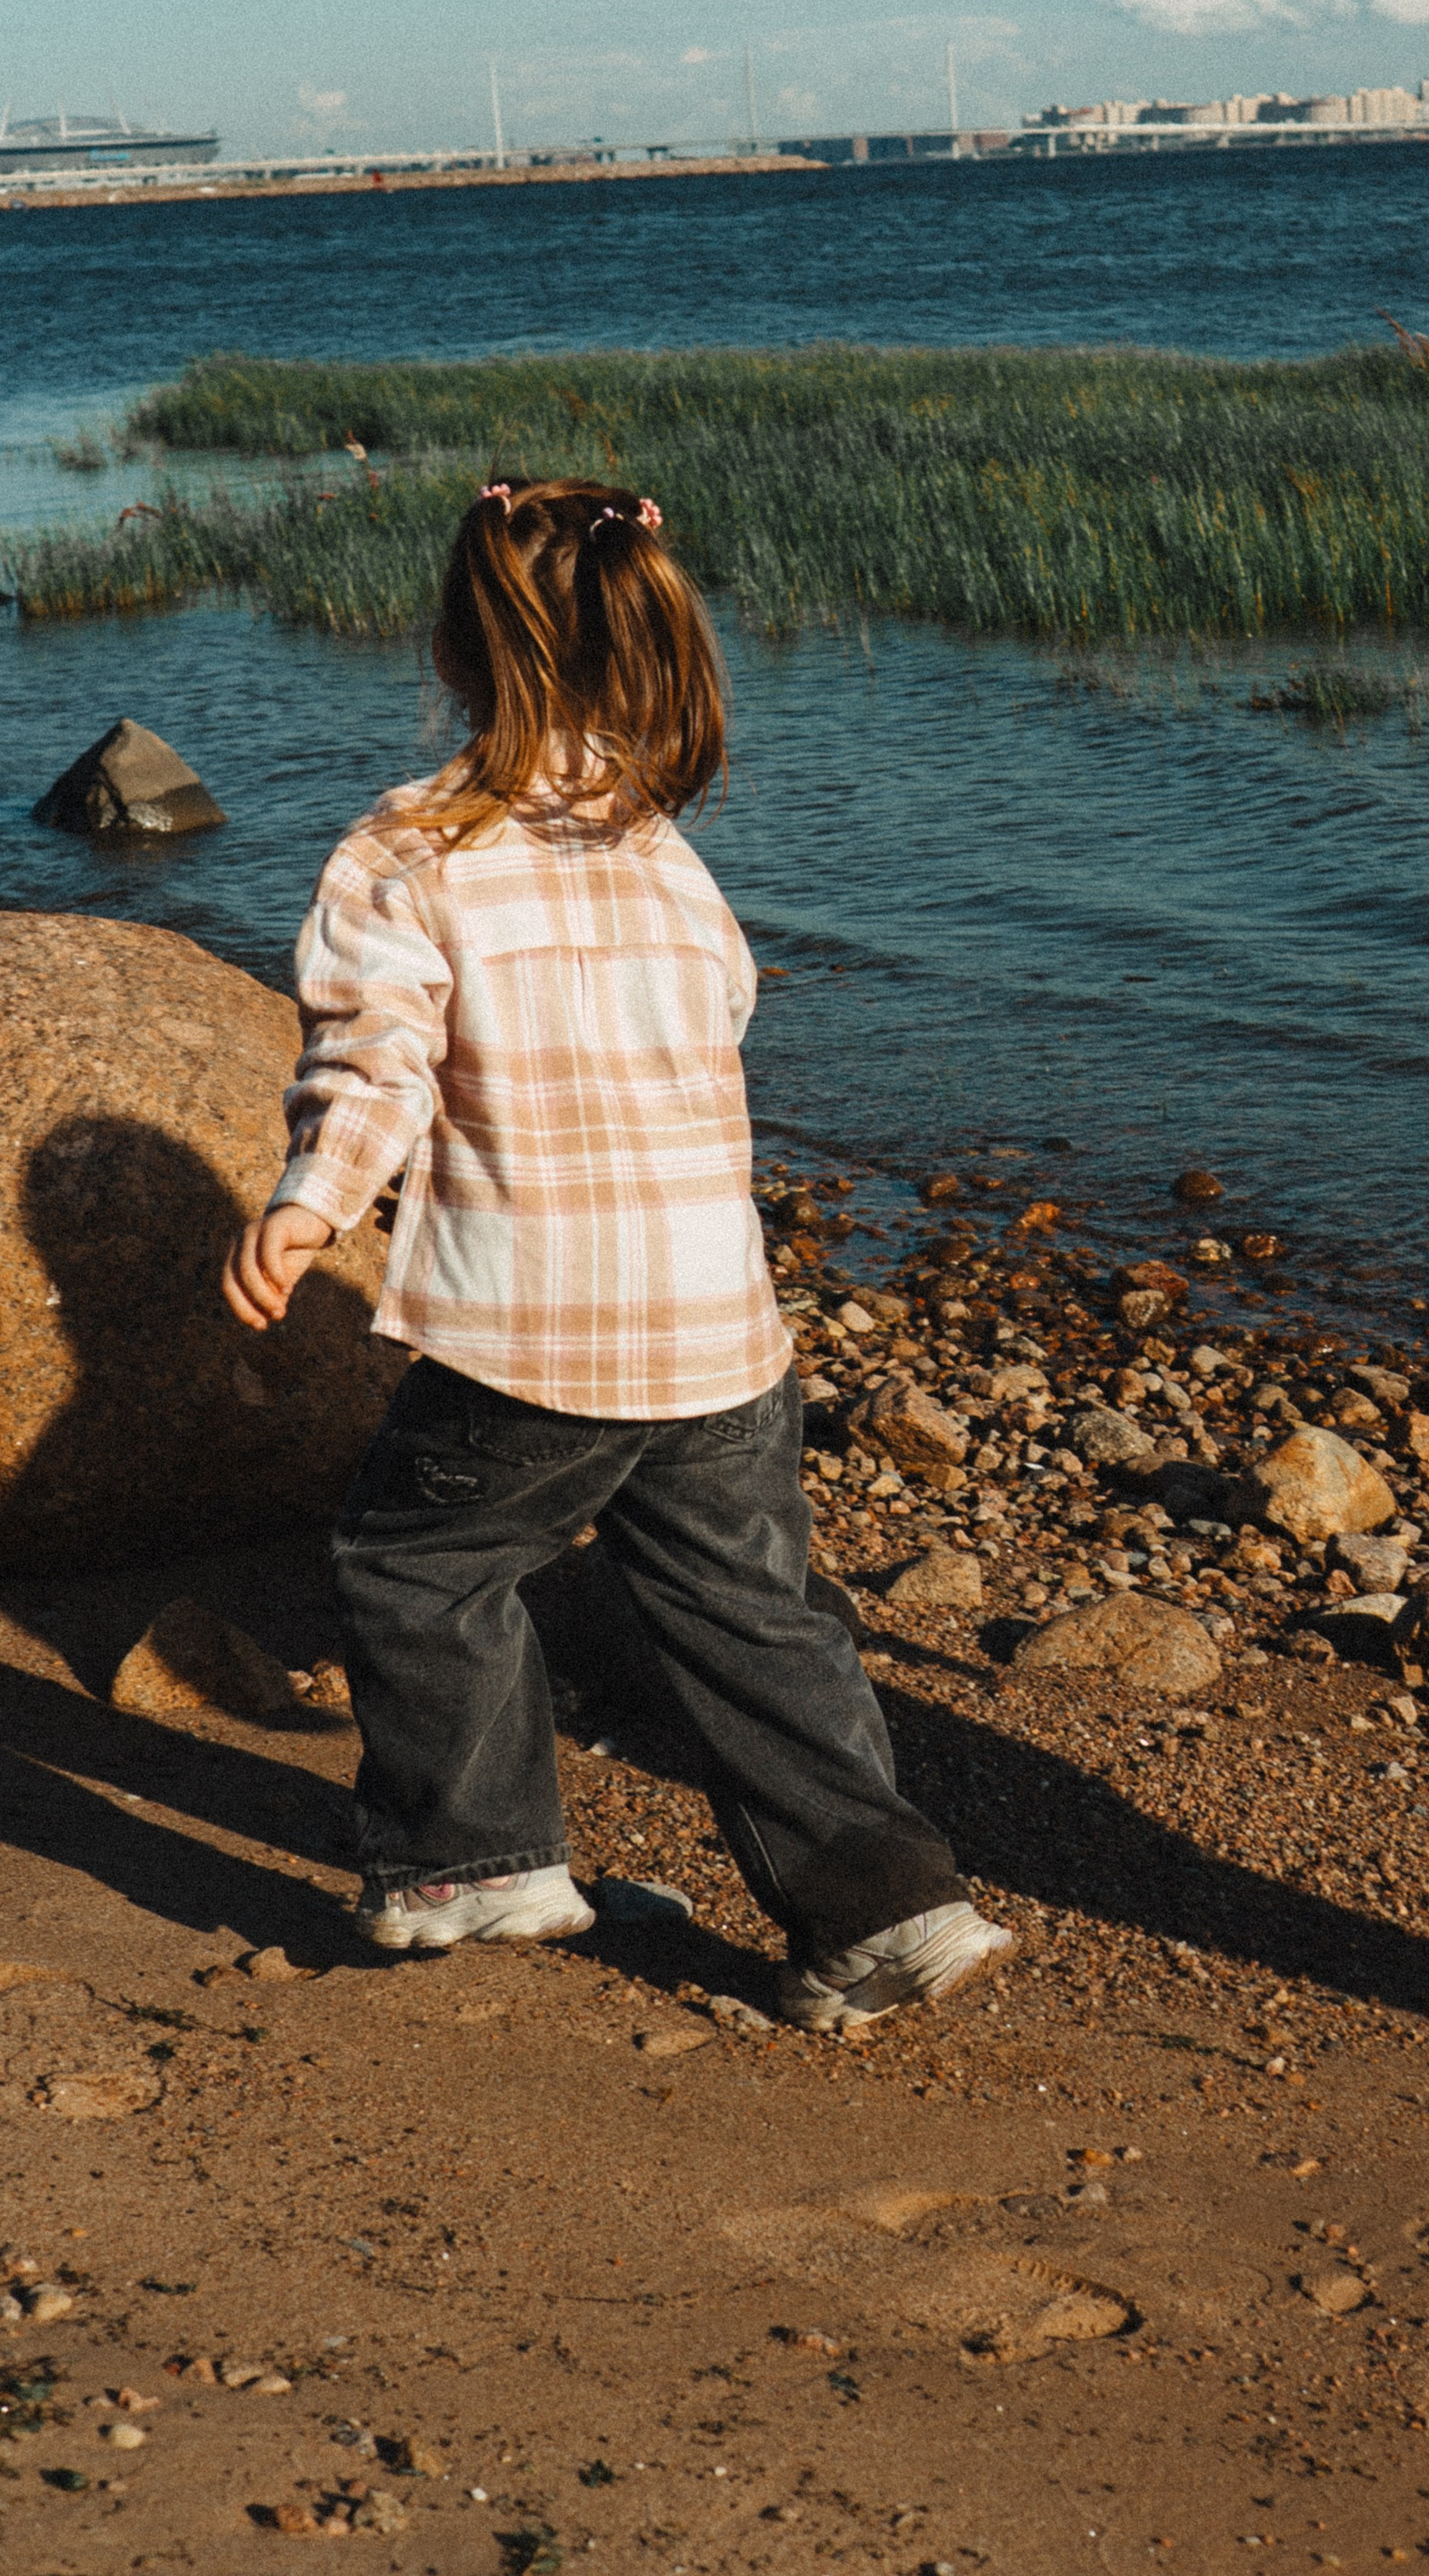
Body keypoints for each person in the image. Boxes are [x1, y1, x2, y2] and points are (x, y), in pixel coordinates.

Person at [221, 478, 1011, 2031]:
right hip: (718, 1326)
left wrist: (317, 1199)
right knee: (750, 1612)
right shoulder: (658, 850)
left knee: (422, 1562)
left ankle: (472, 1863)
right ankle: (883, 1906)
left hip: (535, 1326)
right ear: (648, 652)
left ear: (454, 649)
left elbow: (374, 1058)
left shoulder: (405, 848)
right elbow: (717, 1027)